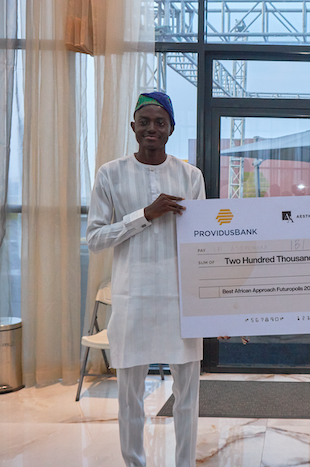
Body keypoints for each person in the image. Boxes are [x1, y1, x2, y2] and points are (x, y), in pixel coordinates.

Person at [86, 92, 205, 467]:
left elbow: (202, 246)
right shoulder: (110, 174)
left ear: (171, 129)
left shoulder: (190, 177)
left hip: (180, 302)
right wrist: (145, 215)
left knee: (187, 398)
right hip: (132, 298)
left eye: (160, 122)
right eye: (145, 121)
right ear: (133, 126)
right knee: (129, 399)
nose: (151, 128)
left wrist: (215, 309)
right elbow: (95, 238)